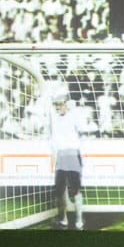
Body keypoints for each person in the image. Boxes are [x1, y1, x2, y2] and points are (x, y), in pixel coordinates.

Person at [49, 93, 86, 230]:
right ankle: (63, 219)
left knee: (75, 189)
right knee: (60, 190)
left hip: (72, 153)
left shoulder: (73, 115)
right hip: (61, 155)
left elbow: (81, 124)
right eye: (57, 104)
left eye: (61, 104)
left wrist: (71, 105)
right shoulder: (54, 118)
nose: (59, 107)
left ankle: (79, 220)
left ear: (66, 104)